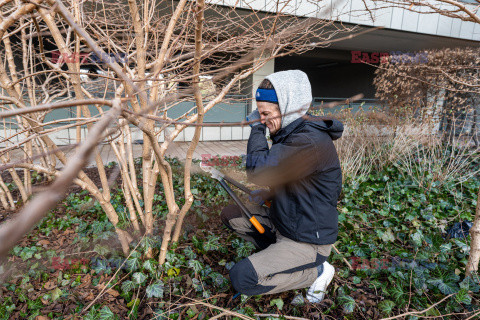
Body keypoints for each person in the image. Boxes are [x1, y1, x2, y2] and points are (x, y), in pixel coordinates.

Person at [220, 70, 344, 302]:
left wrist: (257, 127)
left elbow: (259, 171)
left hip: (307, 240)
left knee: (243, 278)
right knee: (232, 215)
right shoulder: (293, 131)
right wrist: (271, 193)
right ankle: (278, 256)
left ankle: (317, 272)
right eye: (259, 113)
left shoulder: (308, 141)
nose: (262, 119)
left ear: (287, 108)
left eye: (265, 113)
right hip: (285, 221)